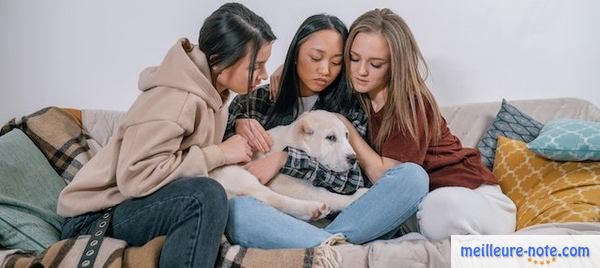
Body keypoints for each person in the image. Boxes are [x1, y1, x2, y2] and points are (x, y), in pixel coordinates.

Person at [57, 3, 276, 267]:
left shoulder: (212, 91)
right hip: (94, 218)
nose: (263, 76)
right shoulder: (175, 99)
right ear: (219, 60)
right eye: (257, 66)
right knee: (204, 196)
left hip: (129, 206)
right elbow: (136, 178)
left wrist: (239, 125)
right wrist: (219, 153)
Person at [224, 13, 429, 249]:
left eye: (336, 62)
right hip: (276, 215)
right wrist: (238, 123)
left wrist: (286, 159)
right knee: (239, 211)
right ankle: (334, 247)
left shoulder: (351, 108)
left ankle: (325, 243)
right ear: (294, 55)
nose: (324, 70)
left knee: (413, 177)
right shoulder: (253, 102)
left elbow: (352, 180)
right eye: (315, 57)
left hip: (336, 217)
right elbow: (224, 167)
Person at [337, 8, 517, 241]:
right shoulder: (359, 102)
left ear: (395, 65)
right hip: (426, 211)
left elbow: (390, 180)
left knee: (436, 208)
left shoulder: (410, 102)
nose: (360, 71)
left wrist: (347, 131)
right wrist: (285, 73)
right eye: (354, 58)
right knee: (419, 219)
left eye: (376, 64)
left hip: (477, 201)